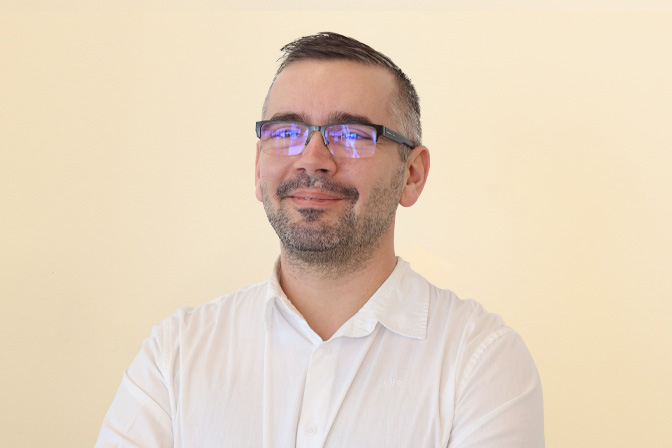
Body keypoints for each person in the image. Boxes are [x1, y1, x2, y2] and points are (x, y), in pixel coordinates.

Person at [95, 32, 544, 447]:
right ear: (258, 167)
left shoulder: (480, 360)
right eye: (286, 133)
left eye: (350, 136)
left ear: (412, 174)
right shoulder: (176, 354)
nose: (312, 159)